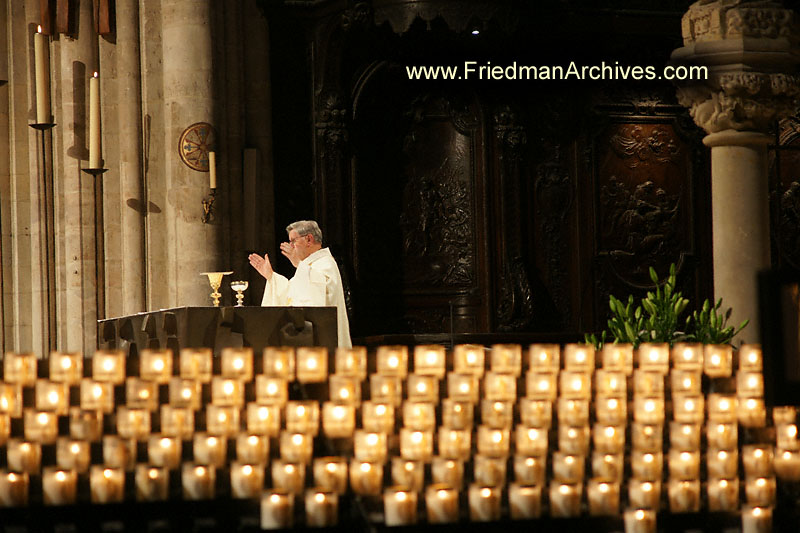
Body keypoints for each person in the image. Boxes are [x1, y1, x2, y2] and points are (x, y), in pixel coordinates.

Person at [248, 220, 352, 348]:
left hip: (323, 343)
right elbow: (291, 294)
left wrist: (299, 264)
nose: (291, 246)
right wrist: (271, 277)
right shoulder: (308, 267)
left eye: (293, 241)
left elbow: (316, 298)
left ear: (309, 239)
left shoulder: (325, 263)